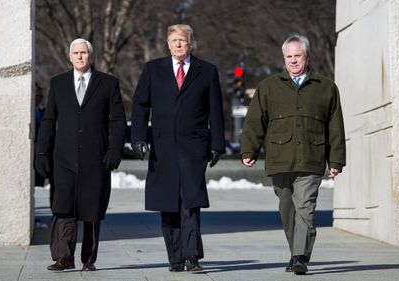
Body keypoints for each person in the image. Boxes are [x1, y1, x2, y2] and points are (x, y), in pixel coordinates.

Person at [240, 34, 346, 275]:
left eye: (297, 56)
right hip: (280, 160)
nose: (293, 61)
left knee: (305, 207)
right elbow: (255, 121)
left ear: (307, 56)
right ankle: (295, 252)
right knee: (287, 209)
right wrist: (249, 150)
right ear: (284, 59)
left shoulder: (326, 88)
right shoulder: (268, 87)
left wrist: (336, 160)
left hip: (312, 158)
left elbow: (335, 126)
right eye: (289, 57)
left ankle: (300, 257)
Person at [131, 24, 225, 272]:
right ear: (167, 43)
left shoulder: (207, 71)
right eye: (173, 40)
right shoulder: (153, 69)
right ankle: (175, 258)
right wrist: (139, 137)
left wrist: (217, 144)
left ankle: (192, 257)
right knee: (168, 204)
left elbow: (215, 110)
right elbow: (140, 105)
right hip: (162, 149)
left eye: (182, 40)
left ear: (191, 42)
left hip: (194, 147)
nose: (178, 44)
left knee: (190, 203)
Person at [35, 38, 126, 272]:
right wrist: (42, 152)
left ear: (91, 56)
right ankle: (62, 257)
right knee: (63, 207)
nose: (79, 56)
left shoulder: (108, 84)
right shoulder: (58, 84)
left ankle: (88, 259)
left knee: (92, 209)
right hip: (63, 158)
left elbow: (117, 120)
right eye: (75, 53)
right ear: (69, 56)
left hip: (96, 158)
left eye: (83, 52)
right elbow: (48, 121)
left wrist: (115, 149)